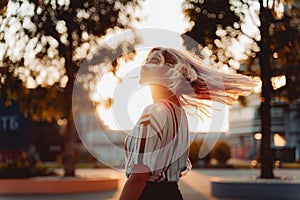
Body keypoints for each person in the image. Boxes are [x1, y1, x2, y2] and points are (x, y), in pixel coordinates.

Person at [119, 47, 257, 200]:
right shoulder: (180, 115)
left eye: (154, 62)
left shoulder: (153, 112)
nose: (144, 66)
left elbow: (139, 176)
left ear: (169, 72)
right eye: (147, 61)